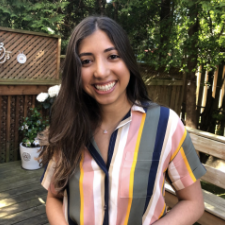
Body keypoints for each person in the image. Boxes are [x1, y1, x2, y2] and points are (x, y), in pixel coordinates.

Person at [39, 16, 206, 225]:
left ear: (128, 59)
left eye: (113, 56)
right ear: (75, 70)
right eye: (86, 61)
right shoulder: (67, 125)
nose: (100, 71)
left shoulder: (166, 125)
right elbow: (54, 197)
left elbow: (193, 203)